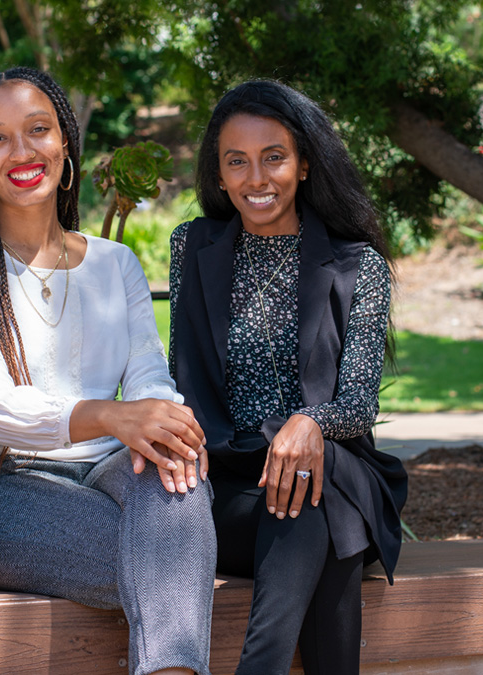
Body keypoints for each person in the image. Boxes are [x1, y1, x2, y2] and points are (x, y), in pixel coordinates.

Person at [0, 67, 216, 675]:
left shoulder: (116, 262)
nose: (22, 151)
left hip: (114, 463)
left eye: (37, 130)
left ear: (65, 145)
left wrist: (164, 424)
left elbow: (146, 372)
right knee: (170, 558)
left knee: (178, 486)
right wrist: (111, 415)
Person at [169, 80, 409, 675]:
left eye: (274, 157)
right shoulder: (192, 248)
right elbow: (182, 376)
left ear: (304, 164)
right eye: (237, 161)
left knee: (309, 492)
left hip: (332, 473)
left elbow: (356, 403)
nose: (257, 178)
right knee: (315, 516)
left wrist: (310, 422)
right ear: (219, 175)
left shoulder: (357, 265)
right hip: (226, 484)